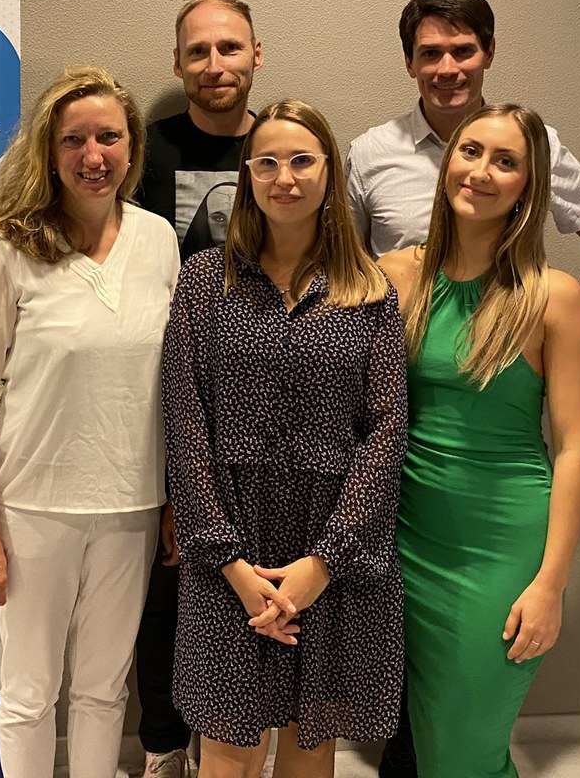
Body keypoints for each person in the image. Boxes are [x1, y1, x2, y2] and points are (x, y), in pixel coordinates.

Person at [0, 65, 180, 778]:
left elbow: (168, 388)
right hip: (33, 506)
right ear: (49, 152)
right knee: (28, 694)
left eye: (109, 136)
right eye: (74, 139)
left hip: (132, 505)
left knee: (106, 692)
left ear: (132, 147)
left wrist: (170, 502)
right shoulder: (9, 246)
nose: (93, 155)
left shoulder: (158, 240)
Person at [162, 99, 408, 778]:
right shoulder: (205, 282)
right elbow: (185, 425)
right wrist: (231, 566)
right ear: (247, 175)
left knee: (310, 743)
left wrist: (322, 564)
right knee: (228, 750)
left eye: (302, 160)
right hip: (230, 548)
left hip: (332, 547)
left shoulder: (369, 290)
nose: (284, 177)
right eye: (266, 162)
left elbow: (386, 433)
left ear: (330, 171)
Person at [377, 103, 580, 778]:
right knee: (413, 739)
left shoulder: (553, 298)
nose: (481, 171)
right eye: (470, 152)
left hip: (498, 548)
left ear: (530, 187)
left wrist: (550, 584)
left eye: (506, 161)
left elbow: (575, 447)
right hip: (403, 541)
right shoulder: (394, 275)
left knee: (463, 754)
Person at [135, 0, 264, 778]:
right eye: (198, 52)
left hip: (264, 406)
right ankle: (161, 746)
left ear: (258, 54)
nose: (215, 65)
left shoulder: (286, 146)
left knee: (248, 578)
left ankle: (240, 737)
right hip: (165, 397)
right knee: (166, 582)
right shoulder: (145, 153)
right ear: (177, 63)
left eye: (230, 48)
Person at [346, 0, 580, 317]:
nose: (448, 69)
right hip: (404, 357)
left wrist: (566, 330)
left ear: (489, 53)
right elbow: (346, 268)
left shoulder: (534, 145)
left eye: (464, 51)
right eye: (431, 54)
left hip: (507, 358)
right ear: (410, 63)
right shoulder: (369, 153)